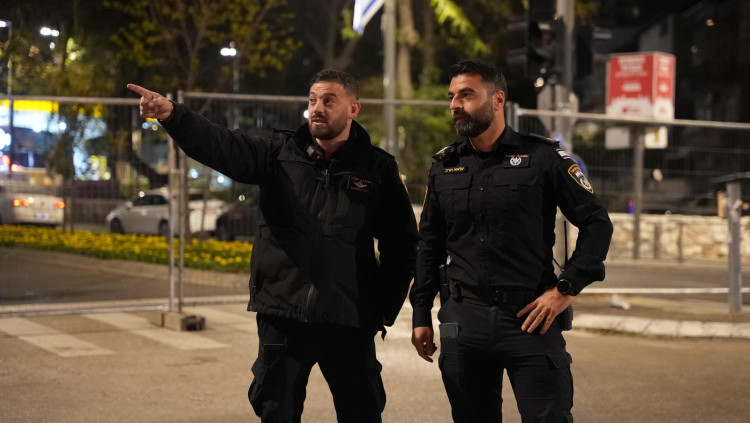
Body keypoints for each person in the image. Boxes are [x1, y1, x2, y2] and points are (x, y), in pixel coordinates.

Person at [128, 69, 418, 423]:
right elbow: (223, 146)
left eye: (329, 101)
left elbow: (402, 245)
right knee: (276, 410)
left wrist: (380, 310)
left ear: (353, 109)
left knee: (362, 411)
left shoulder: (377, 169)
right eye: (313, 100)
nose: (317, 108)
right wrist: (174, 115)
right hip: (283, 316)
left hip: (348, 319)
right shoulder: (278, 153)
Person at [409, 60, 613, 422]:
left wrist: (565, 289)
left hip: (530, 319)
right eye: (452, 96)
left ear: (498, 100)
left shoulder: (543, 158)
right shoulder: (445, 166)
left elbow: (597, 223)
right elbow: (430, 244)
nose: (455, 105)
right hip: (464, 319)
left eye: (466, 95)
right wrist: (420, 312)